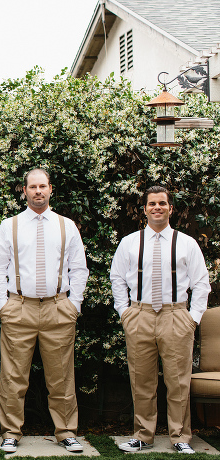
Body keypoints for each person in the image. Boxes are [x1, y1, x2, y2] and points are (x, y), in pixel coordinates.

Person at [0, 168, 89, 453]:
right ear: (24, 191)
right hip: (20, 307)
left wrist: (74, 303)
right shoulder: (10, 225)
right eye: (32, 187)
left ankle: (66, 431)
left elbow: (79, 267)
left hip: (58, 308)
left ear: (50, 189)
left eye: (42, 186)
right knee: (13, 375)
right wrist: (2, 305)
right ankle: (10, 432)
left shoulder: (66, 225)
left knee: (61, 375)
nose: (38, 191)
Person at [110, 186, 210, 454]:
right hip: (139, 314)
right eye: (152, 204)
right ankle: (143, 435)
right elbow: (117, 279)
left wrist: (193, 318)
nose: (157, 208)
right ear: (144, 209)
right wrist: (125, 313)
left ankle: (180, 437)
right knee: (141, 380)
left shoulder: (187, 243)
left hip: (175, 315)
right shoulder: (129, 242)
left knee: (178, 381)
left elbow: (201, 284)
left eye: (162, 203)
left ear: (170, 208)